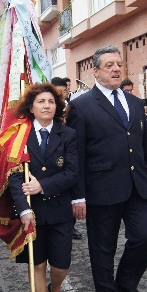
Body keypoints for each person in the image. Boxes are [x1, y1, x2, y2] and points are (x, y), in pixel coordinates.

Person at [67, 45, 147, 292]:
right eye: (109, 65)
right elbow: (77, 155)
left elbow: (145, 146)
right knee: (103, 247)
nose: (116, 69)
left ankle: (127, 284)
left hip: (136, 186)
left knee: (145, 237)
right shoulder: (81, 107)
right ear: (95, 71)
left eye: (119, 64)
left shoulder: (133, 102)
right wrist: (78, 196)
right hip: (101, 189)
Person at [9, 83, 77, 292]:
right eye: (41, 102)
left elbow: (72, 173)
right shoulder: (21, 137)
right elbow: (14, 178)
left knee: (61, 266)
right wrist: (23, 209)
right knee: (37, 264)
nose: (46, 105)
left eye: (50, 102)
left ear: (56, 106)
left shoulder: (67, 134)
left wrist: (42, 185)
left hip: (59, 210)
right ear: (31, 107)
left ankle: (55, 290)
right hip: (32, 213)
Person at [51, 77, 83, 241]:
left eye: (64, 91)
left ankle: (71, 226)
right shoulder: (49, 108)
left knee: (72, 190)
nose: (61, 95)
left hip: (70, 151)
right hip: (54, 155)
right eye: (58, 92)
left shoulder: (73, 107)